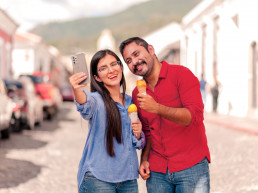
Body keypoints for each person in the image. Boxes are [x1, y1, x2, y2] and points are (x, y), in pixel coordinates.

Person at [119, 37, 211, 193]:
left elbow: (194, 117)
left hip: (191, 167)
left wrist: (157, 108)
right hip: (157, 173)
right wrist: (144, 159)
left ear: (151, 50)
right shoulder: (137, 93)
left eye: (136, 54)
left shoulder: (182, 74)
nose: (134, 62)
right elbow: (147, 131)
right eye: (128, 60)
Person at [69, 49, 145, 193]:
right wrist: (77, 89)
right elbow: (84, 104)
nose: (111, 70)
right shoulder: (95, 100)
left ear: (121, 67)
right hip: (98, 179)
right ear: (97, 77)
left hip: (128, 180)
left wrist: (138, 132)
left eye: (113, 64)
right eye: (103, 68)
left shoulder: (131, 102)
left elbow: (136, 142)